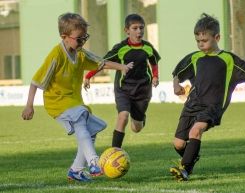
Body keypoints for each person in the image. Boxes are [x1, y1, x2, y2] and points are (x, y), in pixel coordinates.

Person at [170, 13, 245, 181]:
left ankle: (184, 170)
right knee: (178, 144)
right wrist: (176, 85)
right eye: (198, 41)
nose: (201, 44)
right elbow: (177, 73)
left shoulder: (228, 59)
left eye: (204, 41)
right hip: (191, 104)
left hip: (212, 107)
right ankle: (191, 156)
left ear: (217, 37)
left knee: (196, 130)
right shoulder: (194, 57)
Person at [21, 12, 133, 182]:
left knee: (91, 131)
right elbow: (36, 82)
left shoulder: (80, 53)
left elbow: (101, 62)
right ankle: (94, 162)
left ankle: (76, 170)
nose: (82, 42)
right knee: (81, 120)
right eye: (79, 38)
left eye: (84, 38)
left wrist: (122, 67)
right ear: (64, 37)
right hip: (57, 102)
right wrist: (29, 105)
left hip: (74, 102)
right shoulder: (55, 56)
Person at [84, 14, 161, 148]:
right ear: (127, 30)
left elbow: (154, 63)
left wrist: (155, 76)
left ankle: (141, 118)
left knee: (136, 128)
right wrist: (89, 76)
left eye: (141, 28)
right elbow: (103, 62)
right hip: (123, 89)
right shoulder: (120, 48)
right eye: (135, 28)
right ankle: (115, 152)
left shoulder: (148, 47)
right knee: (123, 116)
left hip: (143, 90)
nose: (139, 31)